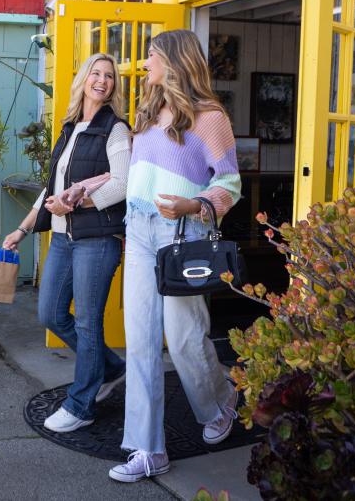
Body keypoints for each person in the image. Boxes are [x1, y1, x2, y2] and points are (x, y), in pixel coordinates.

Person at [108, 29, 242, 483]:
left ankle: (221, 401)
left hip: (182, 232)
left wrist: (195, 205)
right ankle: (149, 450)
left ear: (174, 59)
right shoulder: (146, 114)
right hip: (140, 231)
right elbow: (133, 178)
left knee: (184, 338)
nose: (144, 63)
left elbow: (230, 184)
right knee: (140, 342)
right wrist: (87, 190)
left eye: (151, 56)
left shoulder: (210, 117)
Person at [2, 52, 130, 433]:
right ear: (83, 79)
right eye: (96, 73)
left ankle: (81, 404)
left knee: (89, 324)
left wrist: (78, 202)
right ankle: (109, 367)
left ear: (113, 86)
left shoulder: (116, 129)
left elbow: (123, 183)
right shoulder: (70, 127)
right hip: (61, 238)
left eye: (109, 76)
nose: (102, 81)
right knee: (51, 314)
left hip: (96, 240)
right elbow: (50, 190)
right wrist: (22, 229)